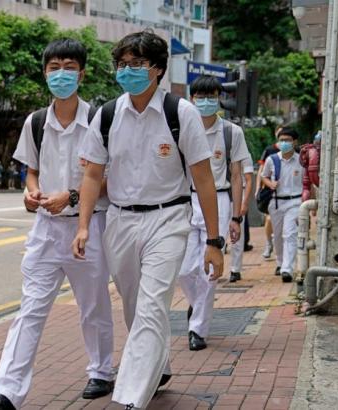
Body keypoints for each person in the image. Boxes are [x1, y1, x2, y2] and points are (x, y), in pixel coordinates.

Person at [72, 30, 223, 410]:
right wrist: (84, 225)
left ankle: (130, 397)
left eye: (136, 64)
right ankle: (160, 365)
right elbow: (92, 175)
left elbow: (203, 179)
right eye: (122, 65)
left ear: (156, 69)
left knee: (153, 305)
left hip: (169, 218)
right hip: (120, 222)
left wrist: (214, 241)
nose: (127, 71)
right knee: (133, 304)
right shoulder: (107, 115)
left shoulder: (180, 113)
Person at [0, 38, 114, 410]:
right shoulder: (36, 122)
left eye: (69, 67)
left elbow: (108, 181)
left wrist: (69, 196)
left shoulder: (101, 120)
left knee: (94, 306)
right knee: (30, 310)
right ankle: (6, 392)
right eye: (54, 68)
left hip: (88, 226)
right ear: (44, 73)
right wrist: (31, 192)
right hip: (45, 230)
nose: (61, 74)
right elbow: (32, 171)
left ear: (82, 73)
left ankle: (101, 370)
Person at [177, 75, 249, 351]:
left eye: (211, 96)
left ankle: (198, 329)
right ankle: (197, 305)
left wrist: (236, 217)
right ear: (192, 99)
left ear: (220, 98)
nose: (205, 101)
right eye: (200, 96)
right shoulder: (183, 129)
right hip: (186, 200)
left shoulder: (231, 132)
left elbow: (237, 175)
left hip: (218, 201)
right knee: (184, 269)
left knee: (208, 269)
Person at [261, 128, 303, 283]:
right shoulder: (272, 159)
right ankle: (279, 262)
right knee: (277, 236)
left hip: (295, 202)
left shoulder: (301, 160)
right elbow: (263, 176)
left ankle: (287, 268)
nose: (284, 143)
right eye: (282, 140)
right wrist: (270, 183)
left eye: (288, 140)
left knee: (290, 234)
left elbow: (307, 183)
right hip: (276, 202)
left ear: (295, 142)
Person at [256, 127, 282, 259]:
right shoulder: (269, 151)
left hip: (289, 195)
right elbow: (261, 172)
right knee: (270, 218)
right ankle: (268, 244)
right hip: (271, 192)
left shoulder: (296, 152)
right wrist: (257, 189)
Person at [230, 156, 255, 282]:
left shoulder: (244, 155)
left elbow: (249, 179)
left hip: (239, 194)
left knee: (237, 235)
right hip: (219, 193)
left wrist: (244, 203)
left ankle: (235, 269)